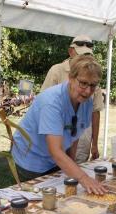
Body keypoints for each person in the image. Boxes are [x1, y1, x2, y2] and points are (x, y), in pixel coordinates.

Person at [11, 55, 107, 195]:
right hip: (31, 159)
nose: (87, 91)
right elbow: (55, 151)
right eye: (83, 83)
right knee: (36, 203)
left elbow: (75, 135)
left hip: (55, 160)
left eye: (93, 85)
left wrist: (72, 165)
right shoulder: (51, 102)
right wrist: (83, 178)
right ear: (71, 78)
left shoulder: (86, 102)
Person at [41, 35, 104, 163]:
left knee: (76, 171)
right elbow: (44, 105)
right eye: (80, 54)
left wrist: (95, 144)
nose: (84, 58)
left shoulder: (93, 74)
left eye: (87, 55)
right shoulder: (57, 70)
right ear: (70, 51)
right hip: (57, 134)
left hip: (82, 136)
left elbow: (95, 112)